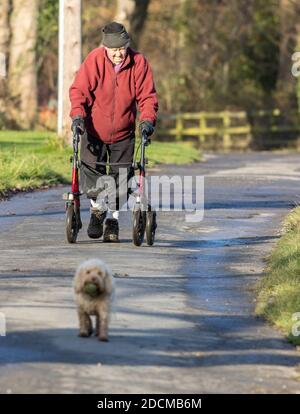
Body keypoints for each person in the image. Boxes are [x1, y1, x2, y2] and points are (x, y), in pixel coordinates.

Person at [69, 22, 158, 242]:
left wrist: (147, 121)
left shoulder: (139, 63)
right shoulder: (95, 60)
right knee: (90, 173)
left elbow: (147, 97)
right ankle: (98, 210)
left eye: (122, 49)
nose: (119, 54)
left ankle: (113, 220)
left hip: (124, 132)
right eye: (114, 50)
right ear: (105, 48)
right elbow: (79, 91)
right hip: (94, 130)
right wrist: (78, 116)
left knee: (121, 179)